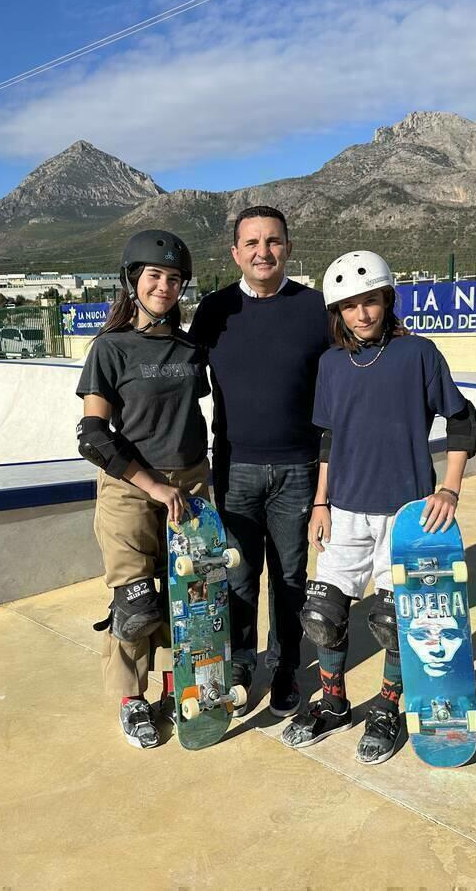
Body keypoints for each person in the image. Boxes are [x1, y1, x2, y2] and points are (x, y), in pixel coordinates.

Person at [280, 250, 476, 765]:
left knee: (395, 621)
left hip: (407, 512)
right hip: (344, 509)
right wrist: (321, 501)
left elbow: (462, 422)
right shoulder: (331, 364)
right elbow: (328, 437)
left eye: (370, 301)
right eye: (350, 306)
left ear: (387, 300)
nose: (362, 314)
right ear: (338, 313)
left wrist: (449, 490)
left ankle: (390, 708)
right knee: (323, 615)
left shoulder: (418, 355)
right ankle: (333, 702)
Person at [188, 205, 329, 718]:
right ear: (235, 253)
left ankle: (287, 666)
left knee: (290, 575)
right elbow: (180, 381)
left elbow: (349, 373)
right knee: (239, 575)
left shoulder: (317, 309)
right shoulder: (213, 310)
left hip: (298, 468)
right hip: (234, 469)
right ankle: (242, 661)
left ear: (288, 248)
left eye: (272, 242)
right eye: (252, 243)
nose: (262, 252)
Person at [76, 229, 211, 750]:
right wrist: (151, 484)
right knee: (136, 605)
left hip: (191, 482)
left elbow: (188, 410)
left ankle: (178, 690)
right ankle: (133, 701)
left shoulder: (189, 346)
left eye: (174, 279)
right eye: (154, 276)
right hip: (131, 488)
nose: (165, 287)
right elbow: (93, 436)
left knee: (190, 598)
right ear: (133, 282)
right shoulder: (109, 349)